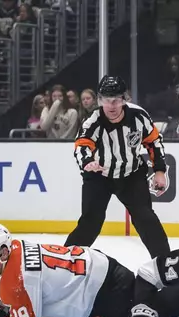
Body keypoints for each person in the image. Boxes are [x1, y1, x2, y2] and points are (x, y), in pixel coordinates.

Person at [0, 223, 135, 317]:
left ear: (3, 252)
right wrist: (2, 304)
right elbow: (29, 291)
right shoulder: (17, 246)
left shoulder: (16, 279)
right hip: (100, 267)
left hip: (107, 294)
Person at [66, 75, 170, 258]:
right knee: (90, 223)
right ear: (100, 100)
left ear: (124, 99)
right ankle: (64, 262)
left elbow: (154, 142)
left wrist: (160, 171)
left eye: (116, 100)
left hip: (131, 175)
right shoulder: (93, 121)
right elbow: (82, 145)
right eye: (106, 100)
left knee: (146, 219)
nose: (111, 106)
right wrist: (87, 162)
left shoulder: (138, 116)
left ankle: (166, 264)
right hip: (99, 176)